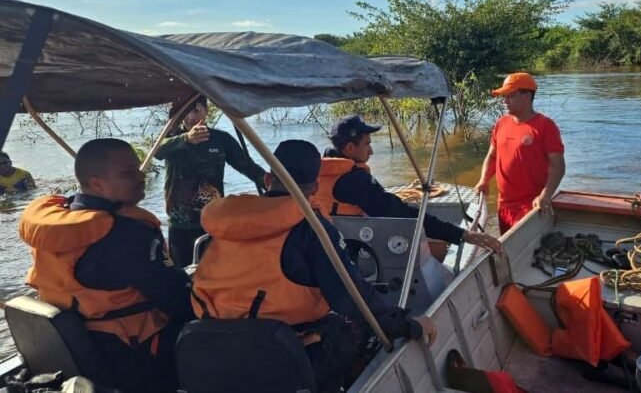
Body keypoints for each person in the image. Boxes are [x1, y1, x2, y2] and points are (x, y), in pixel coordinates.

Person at [191, 139, 436, 393]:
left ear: (267, 179)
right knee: (349, 330)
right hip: (279, 354)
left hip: (211, 345)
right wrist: (408, 324)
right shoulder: (311, 230)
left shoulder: (225, 227)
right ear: (316, 187)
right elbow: (351, 298)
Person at [19, 138, 192, 393]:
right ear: (96, 183)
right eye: (128, 173)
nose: (141, 176)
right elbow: (175, 295)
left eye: (138, 168)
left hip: (78, 348)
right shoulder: (127, 233)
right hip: (136, 356)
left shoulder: (58, 225)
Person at [315, 115, 502, 259]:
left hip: (332, 247)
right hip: (356, 250)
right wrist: (460, 234)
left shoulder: (319, 173)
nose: (371, 151)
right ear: (349, 148)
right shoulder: (355, 182)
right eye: (367, 144)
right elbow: (401, 213)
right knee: (439, 249)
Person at [154, 96, 266, 268]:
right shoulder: (173, 138)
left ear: (206, 111)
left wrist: (274, 184)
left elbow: (247, 167)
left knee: (214, 270)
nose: (191, 118)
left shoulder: (221, 139)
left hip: (212, 220)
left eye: (196, 110)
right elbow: (156, 152)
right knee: (181, 274)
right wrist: (186, 139)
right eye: (186, 113)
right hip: (180, 223)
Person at [474, 72, 566, 234]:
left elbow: (558, 165)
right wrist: (484, 180)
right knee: (507, 250)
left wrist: (545, 196)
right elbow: (492, 156)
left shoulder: (545, 126)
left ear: (527, 96)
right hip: (503, 204)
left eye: (511, 96)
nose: (505, 101)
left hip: (530, 205)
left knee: (522, 251)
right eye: (504, 96)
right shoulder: (501, 123)